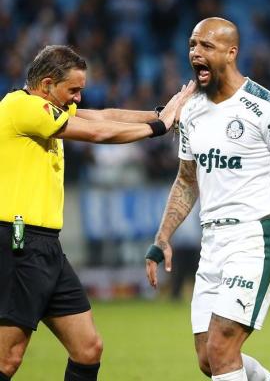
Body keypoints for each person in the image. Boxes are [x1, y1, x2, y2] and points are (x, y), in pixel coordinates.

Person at [0, 44, 194, 380]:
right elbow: (97, 132)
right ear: (46, 85)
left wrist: (163, 112)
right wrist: (158, 128)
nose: (77, 98)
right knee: (8, 359)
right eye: (72, 90)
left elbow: (102, 116)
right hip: (19, 242)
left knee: (88, 349)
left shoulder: (45, 109)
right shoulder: (20, 106)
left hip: (46, 247)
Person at [146, 17, 270, 381]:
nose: (196, 53)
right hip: (213, 242)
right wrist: (163, 236)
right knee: (208, 359)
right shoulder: (191, 109)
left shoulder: (265, 108)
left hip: (255, 238)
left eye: (206, 46)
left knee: (223, 349)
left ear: (231, 52)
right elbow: (186, 180)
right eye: (193, 45)